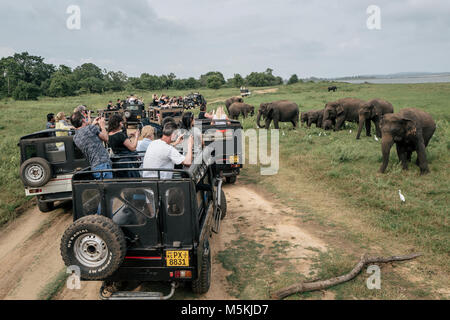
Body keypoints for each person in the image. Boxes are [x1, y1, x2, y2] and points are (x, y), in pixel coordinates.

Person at [70, 111, 112, 180]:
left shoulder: (75, 137)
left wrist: (93, 124)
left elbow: (87, 135)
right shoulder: (91, 128)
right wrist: (102, 125)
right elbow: (106, 138)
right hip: (103, 164)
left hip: (94, 167)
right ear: (83, 120)